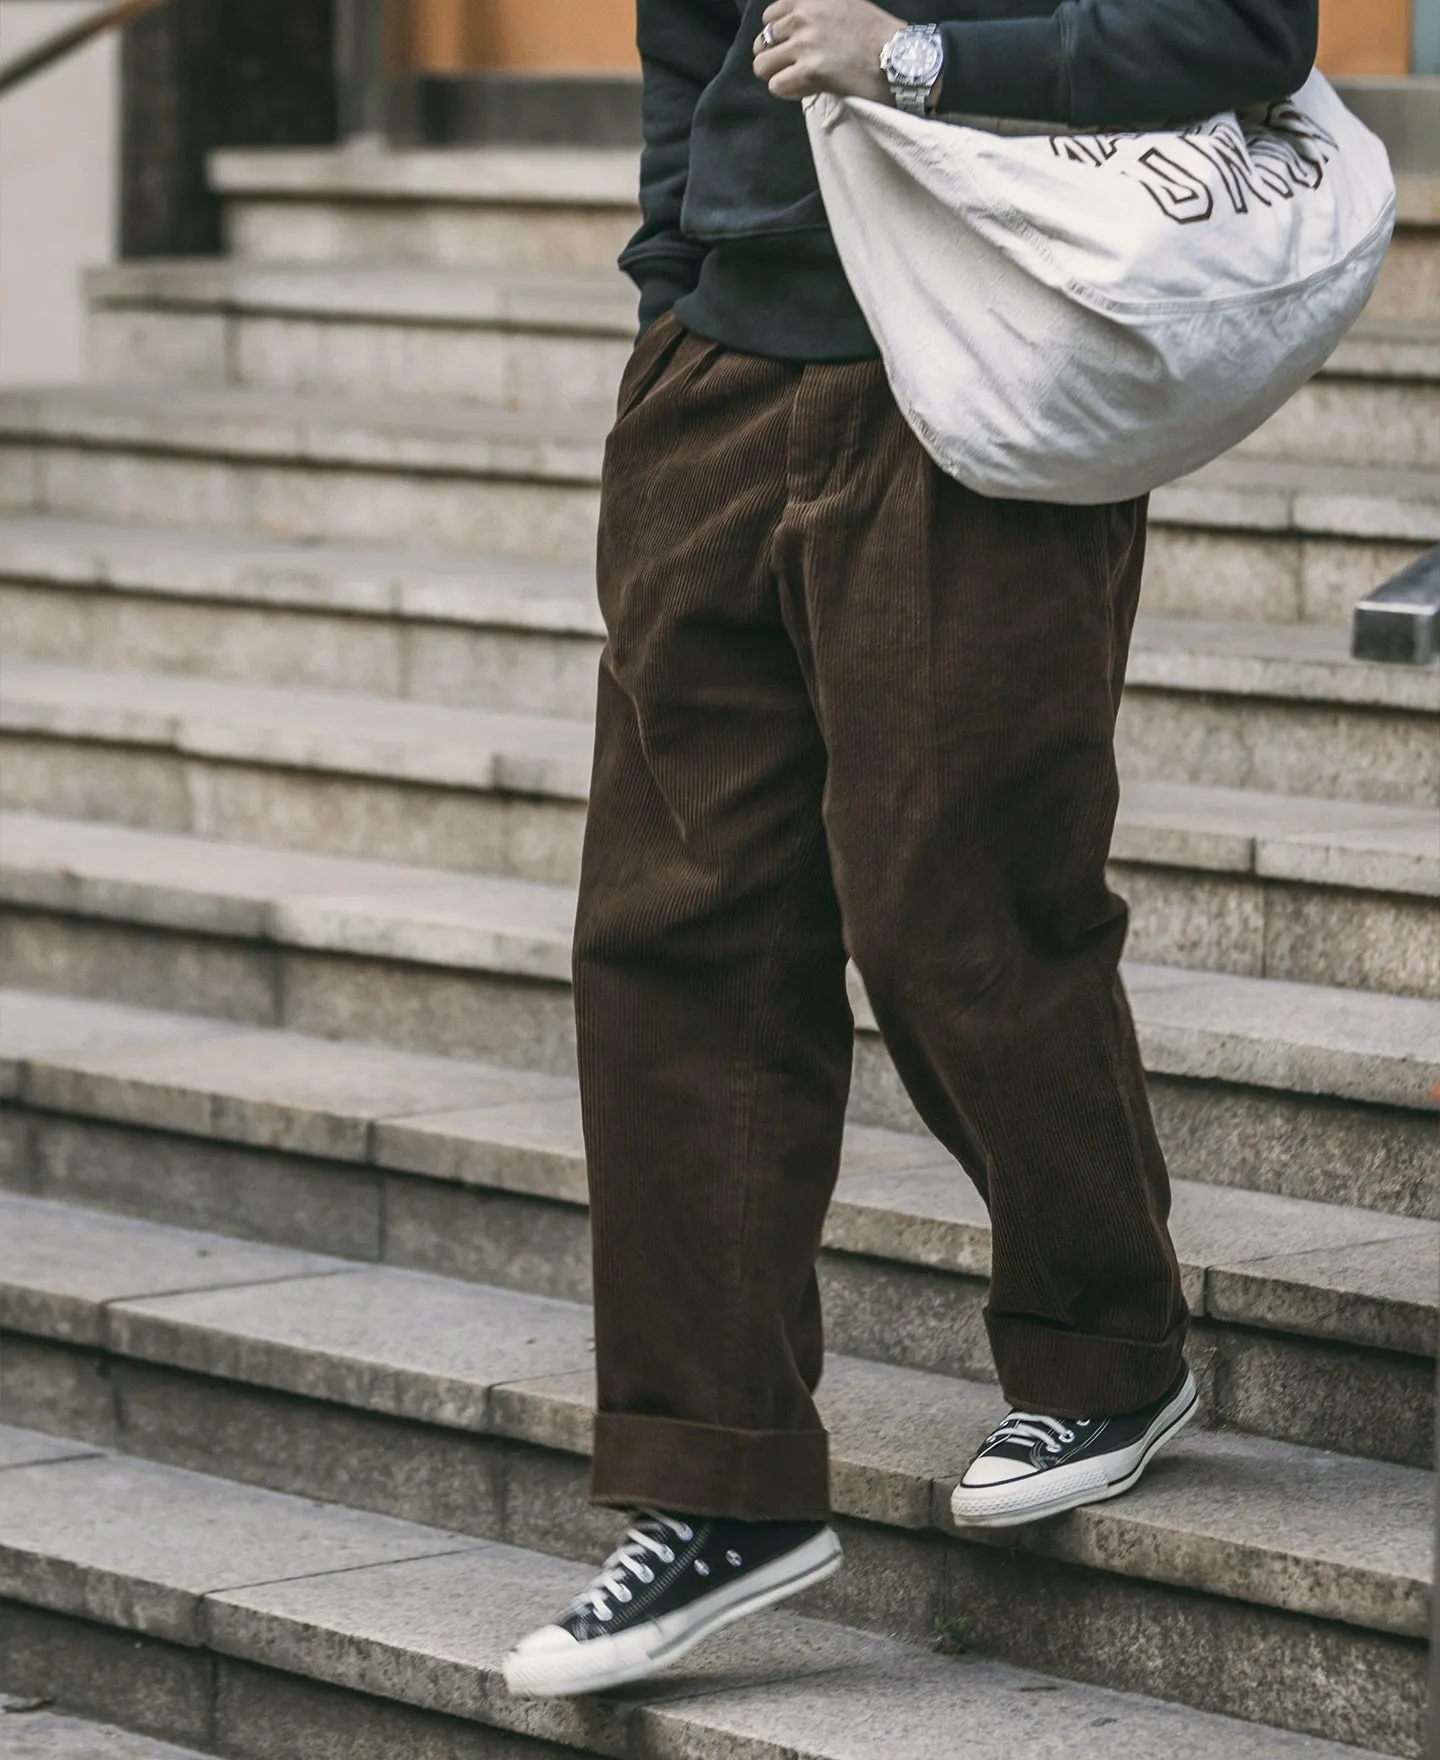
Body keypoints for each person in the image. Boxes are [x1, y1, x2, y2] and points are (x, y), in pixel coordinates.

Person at [503, 0, 1319, 1701]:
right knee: (670, 931)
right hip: (721, 379)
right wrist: (678, 288)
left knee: (960, 910)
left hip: (987, 360)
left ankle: (1106, 1340)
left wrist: (921, 60)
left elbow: (1247, 27)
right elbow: (691, 49)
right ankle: (711, 1479)